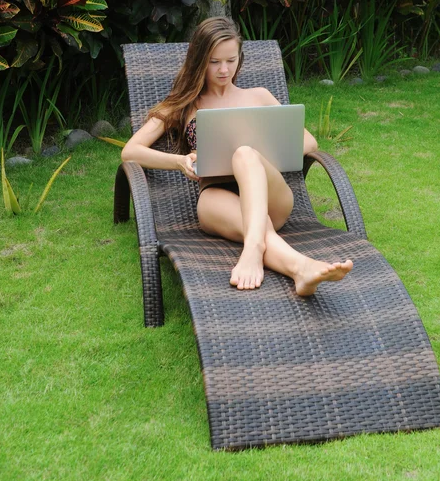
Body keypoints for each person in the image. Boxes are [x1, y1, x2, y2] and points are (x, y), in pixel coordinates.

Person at [121, 17, 353, 295]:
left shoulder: (259, 96)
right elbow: (130, 151)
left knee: (244, 154)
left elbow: (309, 141)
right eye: (214, 62)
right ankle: (301, 269)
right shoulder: (184, 104)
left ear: (239, 58)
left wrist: (260, 153)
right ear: (199, 61)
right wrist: (179, 161)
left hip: (270, 195)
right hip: (215, 195)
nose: (223, 69)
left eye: (230, 60)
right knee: (258, 224)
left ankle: (253, 250)